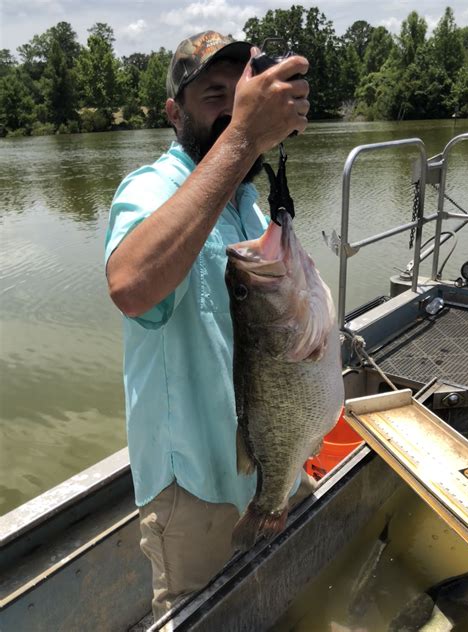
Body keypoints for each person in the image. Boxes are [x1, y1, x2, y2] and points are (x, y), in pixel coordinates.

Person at [105, 31, 314, 623]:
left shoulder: (248, 195)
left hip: (272, 460)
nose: (230, 107)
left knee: (283, 596)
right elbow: (130, 286)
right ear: (174, 113)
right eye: (213, 95)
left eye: (241, 93)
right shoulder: (149, 190)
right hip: (194, 486)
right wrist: (244, 135)